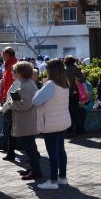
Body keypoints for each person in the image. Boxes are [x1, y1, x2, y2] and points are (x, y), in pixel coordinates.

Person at [32, 59, 72, 190]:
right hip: (63, 121)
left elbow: (36, 101)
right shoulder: (65, 84)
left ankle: (53, 180)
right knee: (60, 150)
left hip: (51, 123)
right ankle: (62, 177)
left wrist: (41, 88)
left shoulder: (50, 85)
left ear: (51, 70)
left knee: (53, 152)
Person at [9, 61, 42, 181]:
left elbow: (26, 104)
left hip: (27, 121)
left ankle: (36, 171)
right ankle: (32, 169)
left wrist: (13, 103)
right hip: (26, 120)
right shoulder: (27, 83)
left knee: (30, 148)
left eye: (14, 71)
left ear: (20, 73)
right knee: (29, 147)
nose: (13, 73)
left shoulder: (27, 85)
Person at [0, 47, 18, 157]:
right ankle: (7, 147)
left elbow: (13, 85)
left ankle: (7, 147)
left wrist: (6, 100)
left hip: (10, 99)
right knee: (8, 124)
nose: (2, 57)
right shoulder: (8, 65)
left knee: (8, 124)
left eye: (3, 55)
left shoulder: (13, 65)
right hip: (8, 98)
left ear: (8, 55)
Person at [64, 56, 86, 135]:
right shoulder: (75, 69)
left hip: (64, 93)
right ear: (73, 61)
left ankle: (68, 130)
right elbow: (83, 79)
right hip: (74, 93)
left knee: (67, 111)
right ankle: (78, 129)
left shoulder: (63, 69)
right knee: (75, 111)